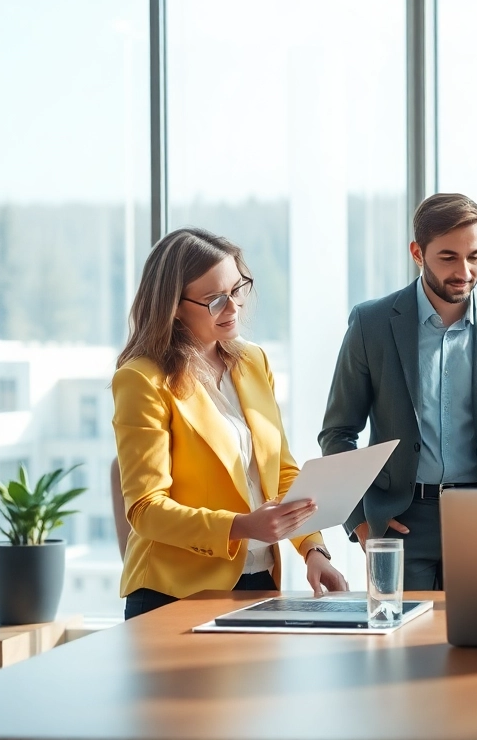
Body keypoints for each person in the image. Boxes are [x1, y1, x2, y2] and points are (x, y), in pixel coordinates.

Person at [113, 228, 347, 620]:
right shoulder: (142, 379)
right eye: (215, 300)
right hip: (172, 593)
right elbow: (146, 509)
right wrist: (242, 526)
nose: (234, 307)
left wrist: (313, 549)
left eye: (238, 290)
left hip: (259, 583)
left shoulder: (254, 362)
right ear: (173, 306)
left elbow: (281, 472)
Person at [319, 193, 477, 590]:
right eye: (448, 257)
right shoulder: (372, 323)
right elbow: (337, 433)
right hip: (400, 520)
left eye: (475, 256)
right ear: (417, 252)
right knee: (398, 647)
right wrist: (361, 523)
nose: (465, 271)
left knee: (476, 646)